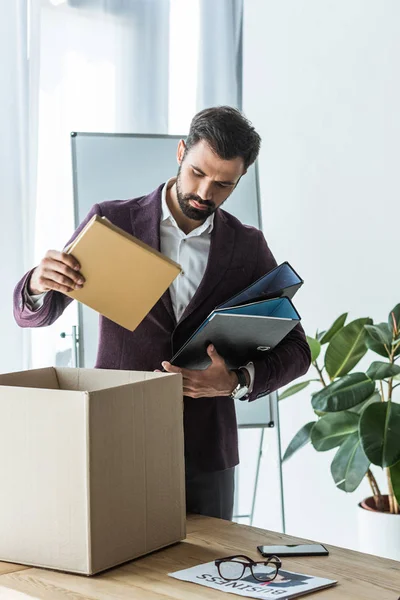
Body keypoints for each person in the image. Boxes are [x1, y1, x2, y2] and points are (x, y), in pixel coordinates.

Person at [13, 106, 311, 521]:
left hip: (207, 450)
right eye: (197, 173)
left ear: (240, 180)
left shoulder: (247, 246)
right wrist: (37, 284)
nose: (205, 193)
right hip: (119, 434)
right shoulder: (112, 220)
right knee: (121, 575)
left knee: (211, 576)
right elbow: (35, 316)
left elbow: (298, 349)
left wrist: (235, 381)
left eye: (224, 184)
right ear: (180, 153)